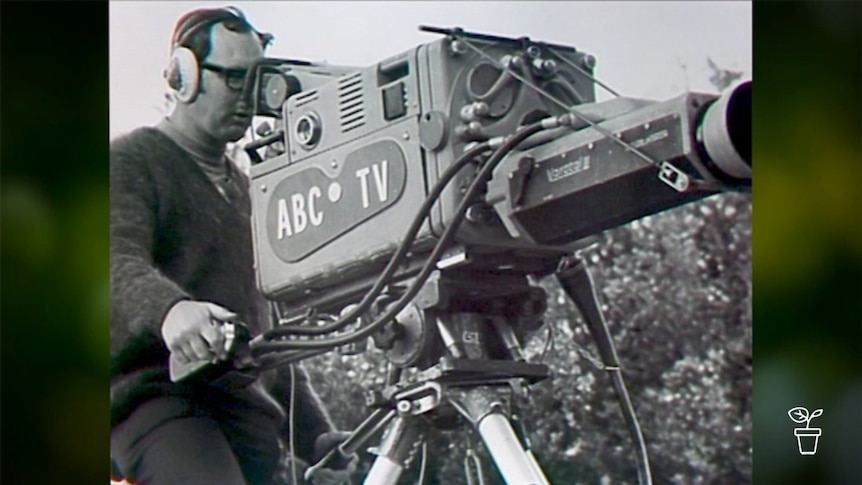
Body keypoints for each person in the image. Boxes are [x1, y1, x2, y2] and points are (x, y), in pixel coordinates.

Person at [110, 6, 353, 484]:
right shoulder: (130, 163)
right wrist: (171, 311)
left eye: (258, 82)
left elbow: (270, 337)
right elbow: (113, 259)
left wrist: (320, 440)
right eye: (235, 79)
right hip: (161, 404)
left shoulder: (252, 192)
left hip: (249, 418)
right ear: (185, 76)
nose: (249, 99)